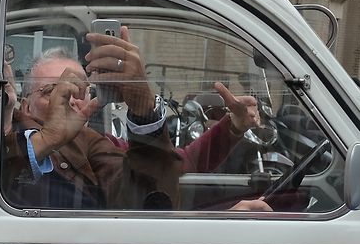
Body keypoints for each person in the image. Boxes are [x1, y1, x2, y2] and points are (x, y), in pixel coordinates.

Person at [15, 48, 271, 211]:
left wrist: (232, 128)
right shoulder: (3, 142)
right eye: (52, 91)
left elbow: (168, 172)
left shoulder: (97, 143)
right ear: (26, 106)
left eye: (78, 90)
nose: (69, 99)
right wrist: (45, 141)